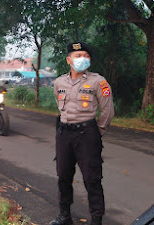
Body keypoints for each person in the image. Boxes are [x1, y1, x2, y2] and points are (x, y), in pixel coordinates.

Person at [50, 42, 114, 225]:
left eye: (86, 56)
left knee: (92, 179)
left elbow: (108, 111)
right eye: (78, 56)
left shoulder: (98, 81)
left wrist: (96, 132)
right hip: (64, 134)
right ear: (68, 60)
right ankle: (64, 215)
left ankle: (96, 219)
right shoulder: (59, 82)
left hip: (87, 134)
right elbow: (61, 106)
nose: (82, 59)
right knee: (63, 176)